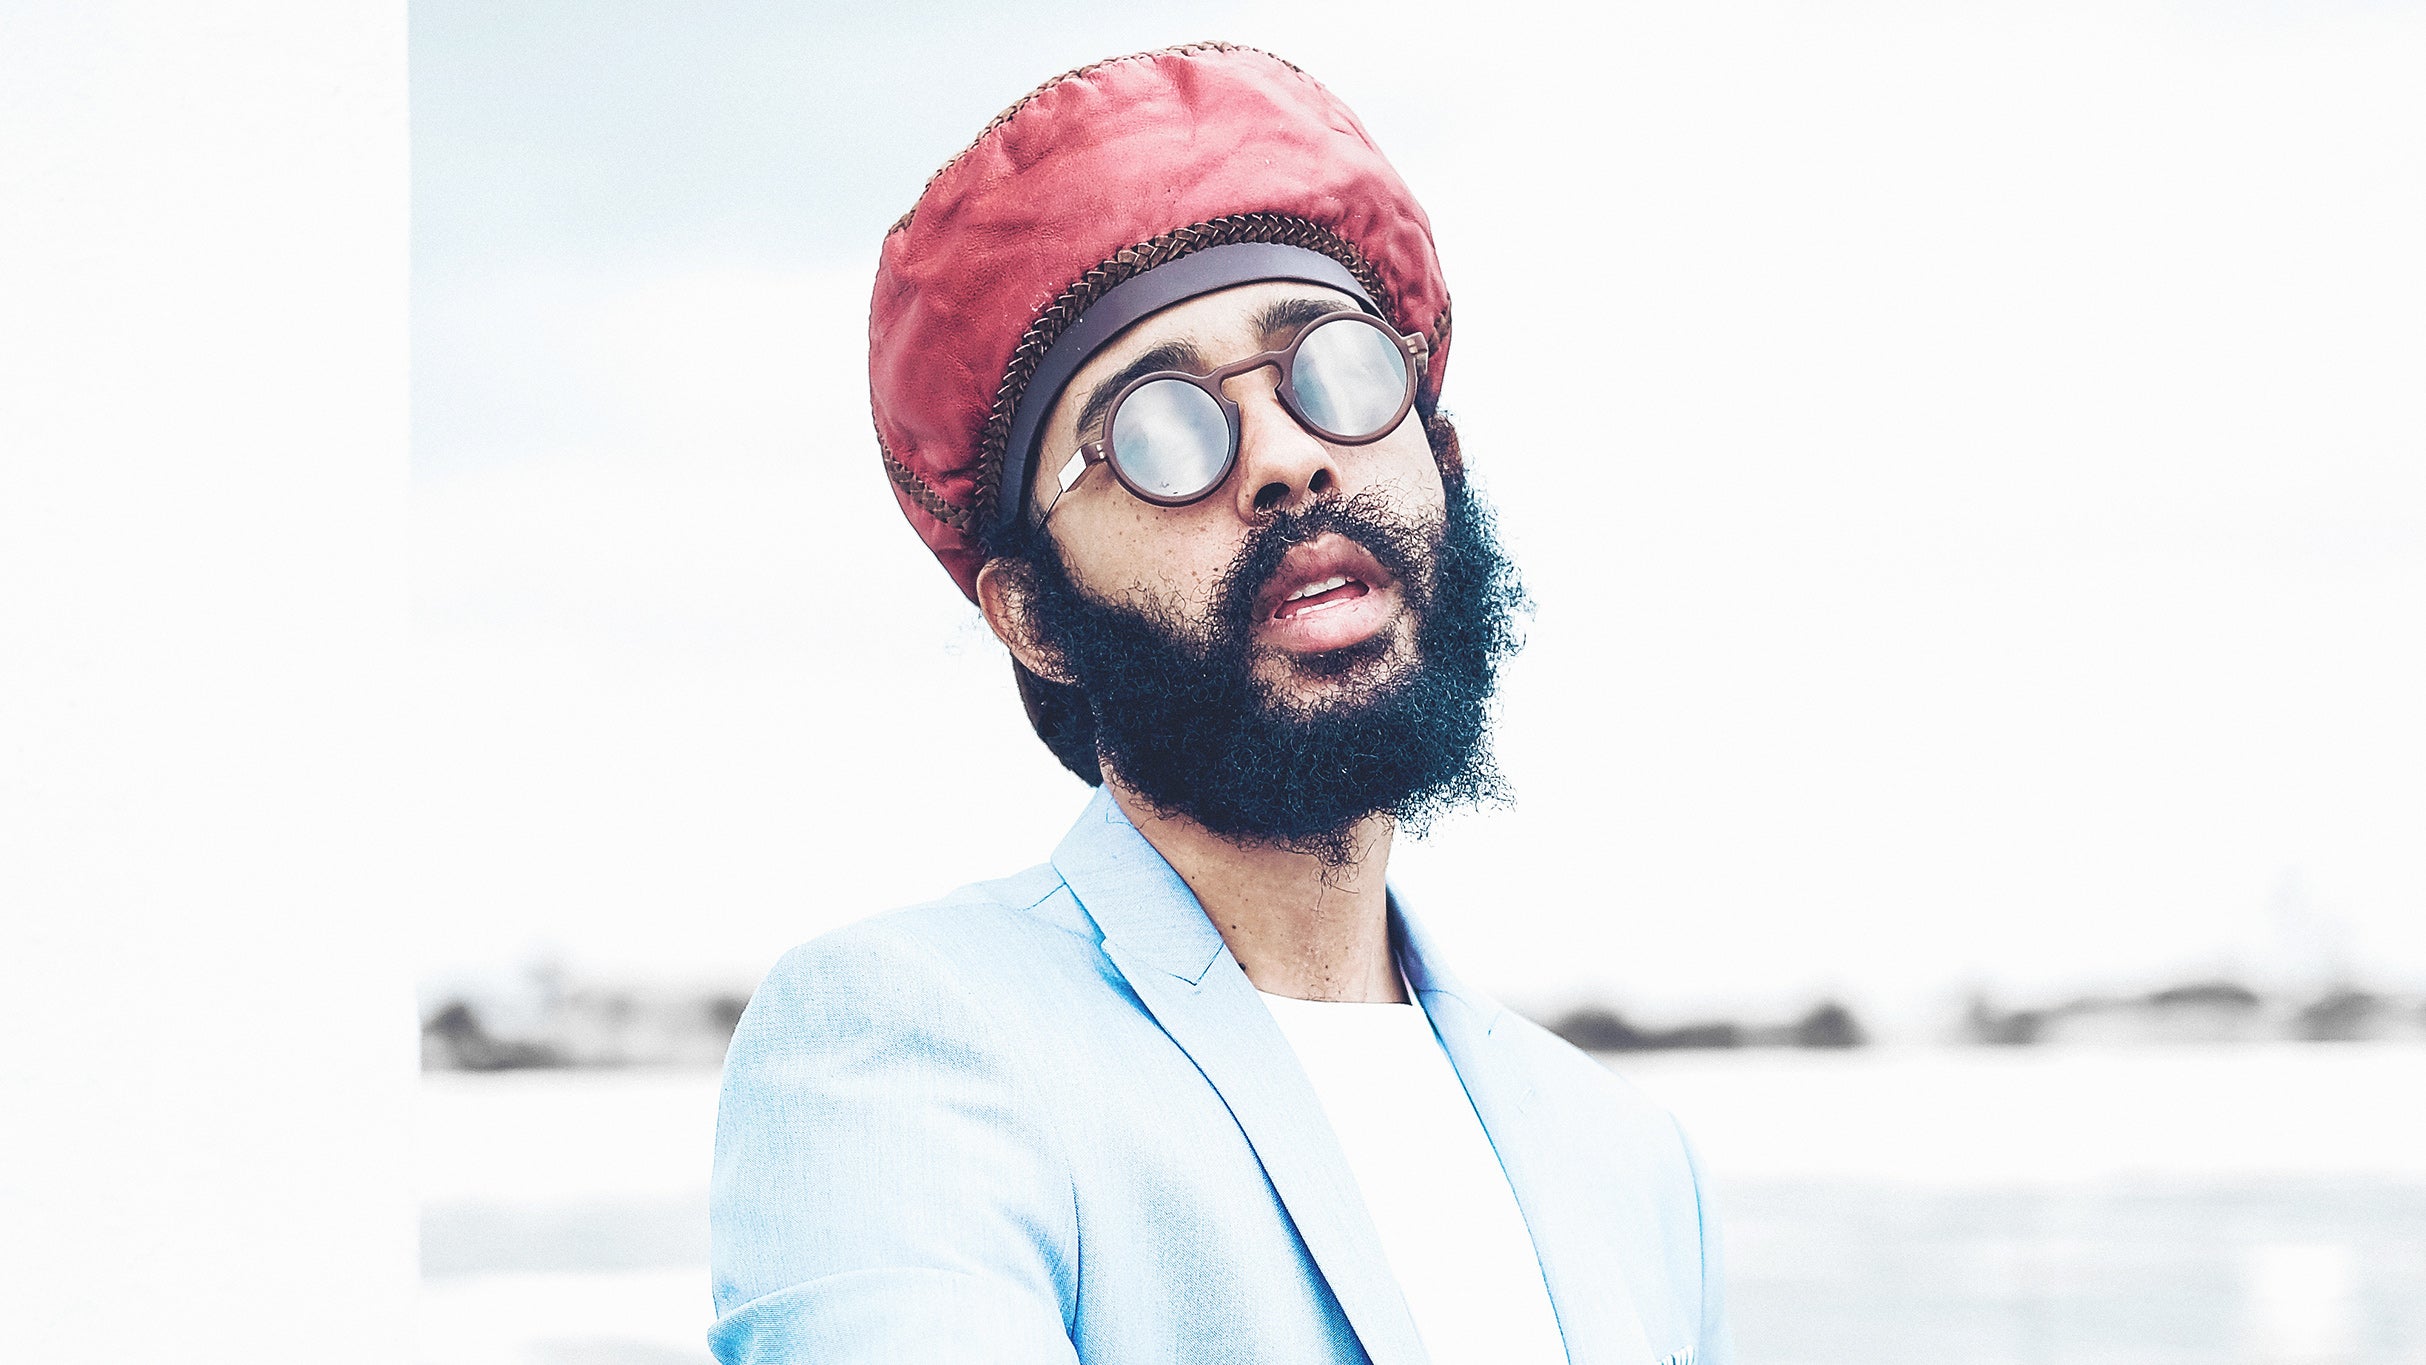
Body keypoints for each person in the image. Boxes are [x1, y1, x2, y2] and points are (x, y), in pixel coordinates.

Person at [710, 42, 1730, 1365]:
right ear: (1033, 616)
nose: (1290, 458)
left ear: (1440, 459)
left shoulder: (1628, 1161)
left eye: (1340, 372)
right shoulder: (913, 1051)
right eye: (1160, 427)